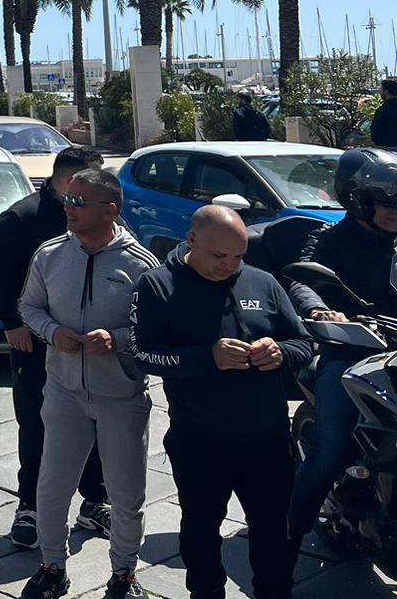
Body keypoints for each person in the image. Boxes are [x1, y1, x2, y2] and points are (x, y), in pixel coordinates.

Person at [130, 205, 311, 599]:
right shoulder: (158, 285)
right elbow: (141, 354)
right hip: (200, 440)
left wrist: (280, 352)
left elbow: (304, 343)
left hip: (267, 439)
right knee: (200, 533)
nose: (229, 265)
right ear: (191, 240)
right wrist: (205, 357)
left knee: (274, 536)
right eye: (218, 256)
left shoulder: (263, 282)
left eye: (238, 257)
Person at [17, 169, 160, 599]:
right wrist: (50, 331)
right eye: (67, 199)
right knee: (52, 485)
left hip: (121, 398)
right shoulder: (50, 254)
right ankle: (51, 567)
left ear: (109, 210)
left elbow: (156, 331)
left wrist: (117, 340)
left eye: (79, 202)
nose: (68, 208)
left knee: (126, 492)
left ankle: (123, 575)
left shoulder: (141, 265)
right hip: (63, 393)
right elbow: (29, 305)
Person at [0, 145, 112, 548]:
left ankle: (95, 501)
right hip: (35, 344)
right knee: (37, 424)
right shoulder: (23, 218)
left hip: (89, 349)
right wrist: (11, 323)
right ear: (67, 180)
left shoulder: (102, 213)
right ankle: (30, 507)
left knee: (97, 423)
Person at [286, 148, 397, 545]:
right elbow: (303, 279)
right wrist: (320, 311)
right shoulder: (330, 238)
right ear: (357, 199)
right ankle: (286, 538)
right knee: (327, 453)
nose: (394, 210)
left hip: (396, 350)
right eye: (386, 202)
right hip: (351, 352)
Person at [369, 78, 397, 149]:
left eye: (381, 89)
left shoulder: (383, 110)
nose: (379, 92)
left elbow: (375, 130)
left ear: (386, 91)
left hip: (388, 148)